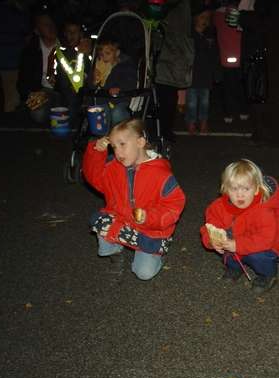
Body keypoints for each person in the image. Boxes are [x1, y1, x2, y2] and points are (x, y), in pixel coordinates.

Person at [83, 118, 186, 280]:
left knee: (144, 273)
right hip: (121, 220)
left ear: (140, 142)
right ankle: (116, 255)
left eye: (122, 144)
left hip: (150, 229)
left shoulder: (161, 174)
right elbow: (94, 177)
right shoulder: (114, 167)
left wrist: (148, 217)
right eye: (114, 147)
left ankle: (157, 254)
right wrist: (96, 152)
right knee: (102, 224)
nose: (117, 152)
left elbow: (173, 207)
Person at [200, 159, 279, 294]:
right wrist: (211, 241)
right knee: (228, 246)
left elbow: (265, 239)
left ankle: (267, 275)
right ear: (225, 189)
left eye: (246, 189)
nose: (240, 194)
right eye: (234, 189)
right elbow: (210, 226)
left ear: (257, 189)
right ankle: (235, 267)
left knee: (258, 256)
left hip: (268, 244)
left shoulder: (263, 210)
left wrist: (238, 245)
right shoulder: (218, 206)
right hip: (237, 241)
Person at [227, 0, 279, 147]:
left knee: (269, 94)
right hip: (263, 50)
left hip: (271, 52)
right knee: (258, 92)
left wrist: (243, 17)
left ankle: (272, 136)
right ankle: (261, 133)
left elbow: (270, 21)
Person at [154, 0, 194, 143]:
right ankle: (162, 131)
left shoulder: (180, 8)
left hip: (172, 58)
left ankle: (164, 131)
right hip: (166, 57)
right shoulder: (173, 8)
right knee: (164, 98)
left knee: (168, 98)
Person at [17, 7, 59, 124]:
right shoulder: (30, 51)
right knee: (38, 115)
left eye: (51, 23)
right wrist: (32, 94)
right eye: (45, 25)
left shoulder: (66, 46)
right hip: (42, 91)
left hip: (64, 92)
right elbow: (22, 81)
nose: (50, 27)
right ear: (36, 30)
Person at [88, 38, 137, 129]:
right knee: (98, 110)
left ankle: (120, 134)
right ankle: (102, 137)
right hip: (103, 99)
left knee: (117, 112)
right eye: (101, 54)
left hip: (120, 100)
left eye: (108, 54)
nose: (104, 57)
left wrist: (119, 88)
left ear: (117, 53)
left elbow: (131, 82)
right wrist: (94, 80)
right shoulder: (98, 66)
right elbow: (90, 87)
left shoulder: (125, 66)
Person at [213, 1, 248, 124]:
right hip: (234, 54)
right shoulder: (235, 12)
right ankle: (239, 110)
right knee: (237, 85)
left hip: (227, 55)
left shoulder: (218, 14)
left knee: (229, 86)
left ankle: (231, 111)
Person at [185, 6, 218, 134]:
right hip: (192, 73)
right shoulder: (190, 34)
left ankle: (204, 122)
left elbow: (214, 53)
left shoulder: (210, 34)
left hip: (206, 74)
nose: (204, 21)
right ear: (195, 19)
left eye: (207, 18)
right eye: (202, 17)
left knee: (205, 101)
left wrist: (216, 70)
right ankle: (191, 122)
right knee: (192, 101)